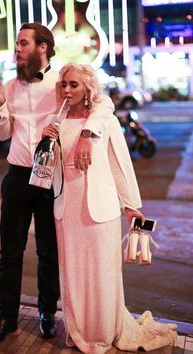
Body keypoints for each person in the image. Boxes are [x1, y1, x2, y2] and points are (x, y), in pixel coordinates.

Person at [0, 23, 114, 346]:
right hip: (16, 176)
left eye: (23, 43)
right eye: (17, 43)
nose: (18, 49)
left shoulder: (62, 83)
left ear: (43, 47)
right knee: (9, 252)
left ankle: (46, 313)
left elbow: (105, 105)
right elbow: (2, 134)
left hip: (50, 177)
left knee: (48, 251)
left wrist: (86, 134)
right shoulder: (10, 86)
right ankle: (6, 316)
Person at [42, 62, 177, 354]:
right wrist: (47, 143)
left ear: (87, 88)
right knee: (74, 273)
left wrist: (131, 205)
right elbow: (49, 171)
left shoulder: (103, 121)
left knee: (102, 274)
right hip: (67, 210)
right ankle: (79, 332)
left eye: (74, 84)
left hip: (101, 210)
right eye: (63, 84)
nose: (67, 89)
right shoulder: (57, 122)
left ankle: (101, 334)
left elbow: (120, 164)